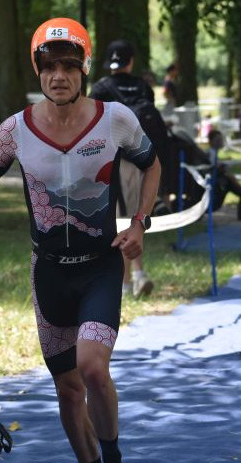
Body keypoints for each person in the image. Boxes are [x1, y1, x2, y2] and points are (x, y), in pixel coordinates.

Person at [0, 18, 157, 463]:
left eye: (68, 66)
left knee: (94, 369)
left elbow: (151, 163)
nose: (58, 76)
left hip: (99, 266)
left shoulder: (114, 118)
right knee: (68, 388)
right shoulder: (16, 129)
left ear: (83, 70)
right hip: (49, 273)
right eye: (48, 66)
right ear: (38, 70)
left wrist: (139, 223)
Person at [90, 39, 168, 298]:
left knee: (120, 221)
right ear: (131, 61)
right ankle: (138, 273)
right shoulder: (144, 87)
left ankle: (126, 282)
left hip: (114, 162)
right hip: (145, 162)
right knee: (136, 219)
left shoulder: (101, 88)